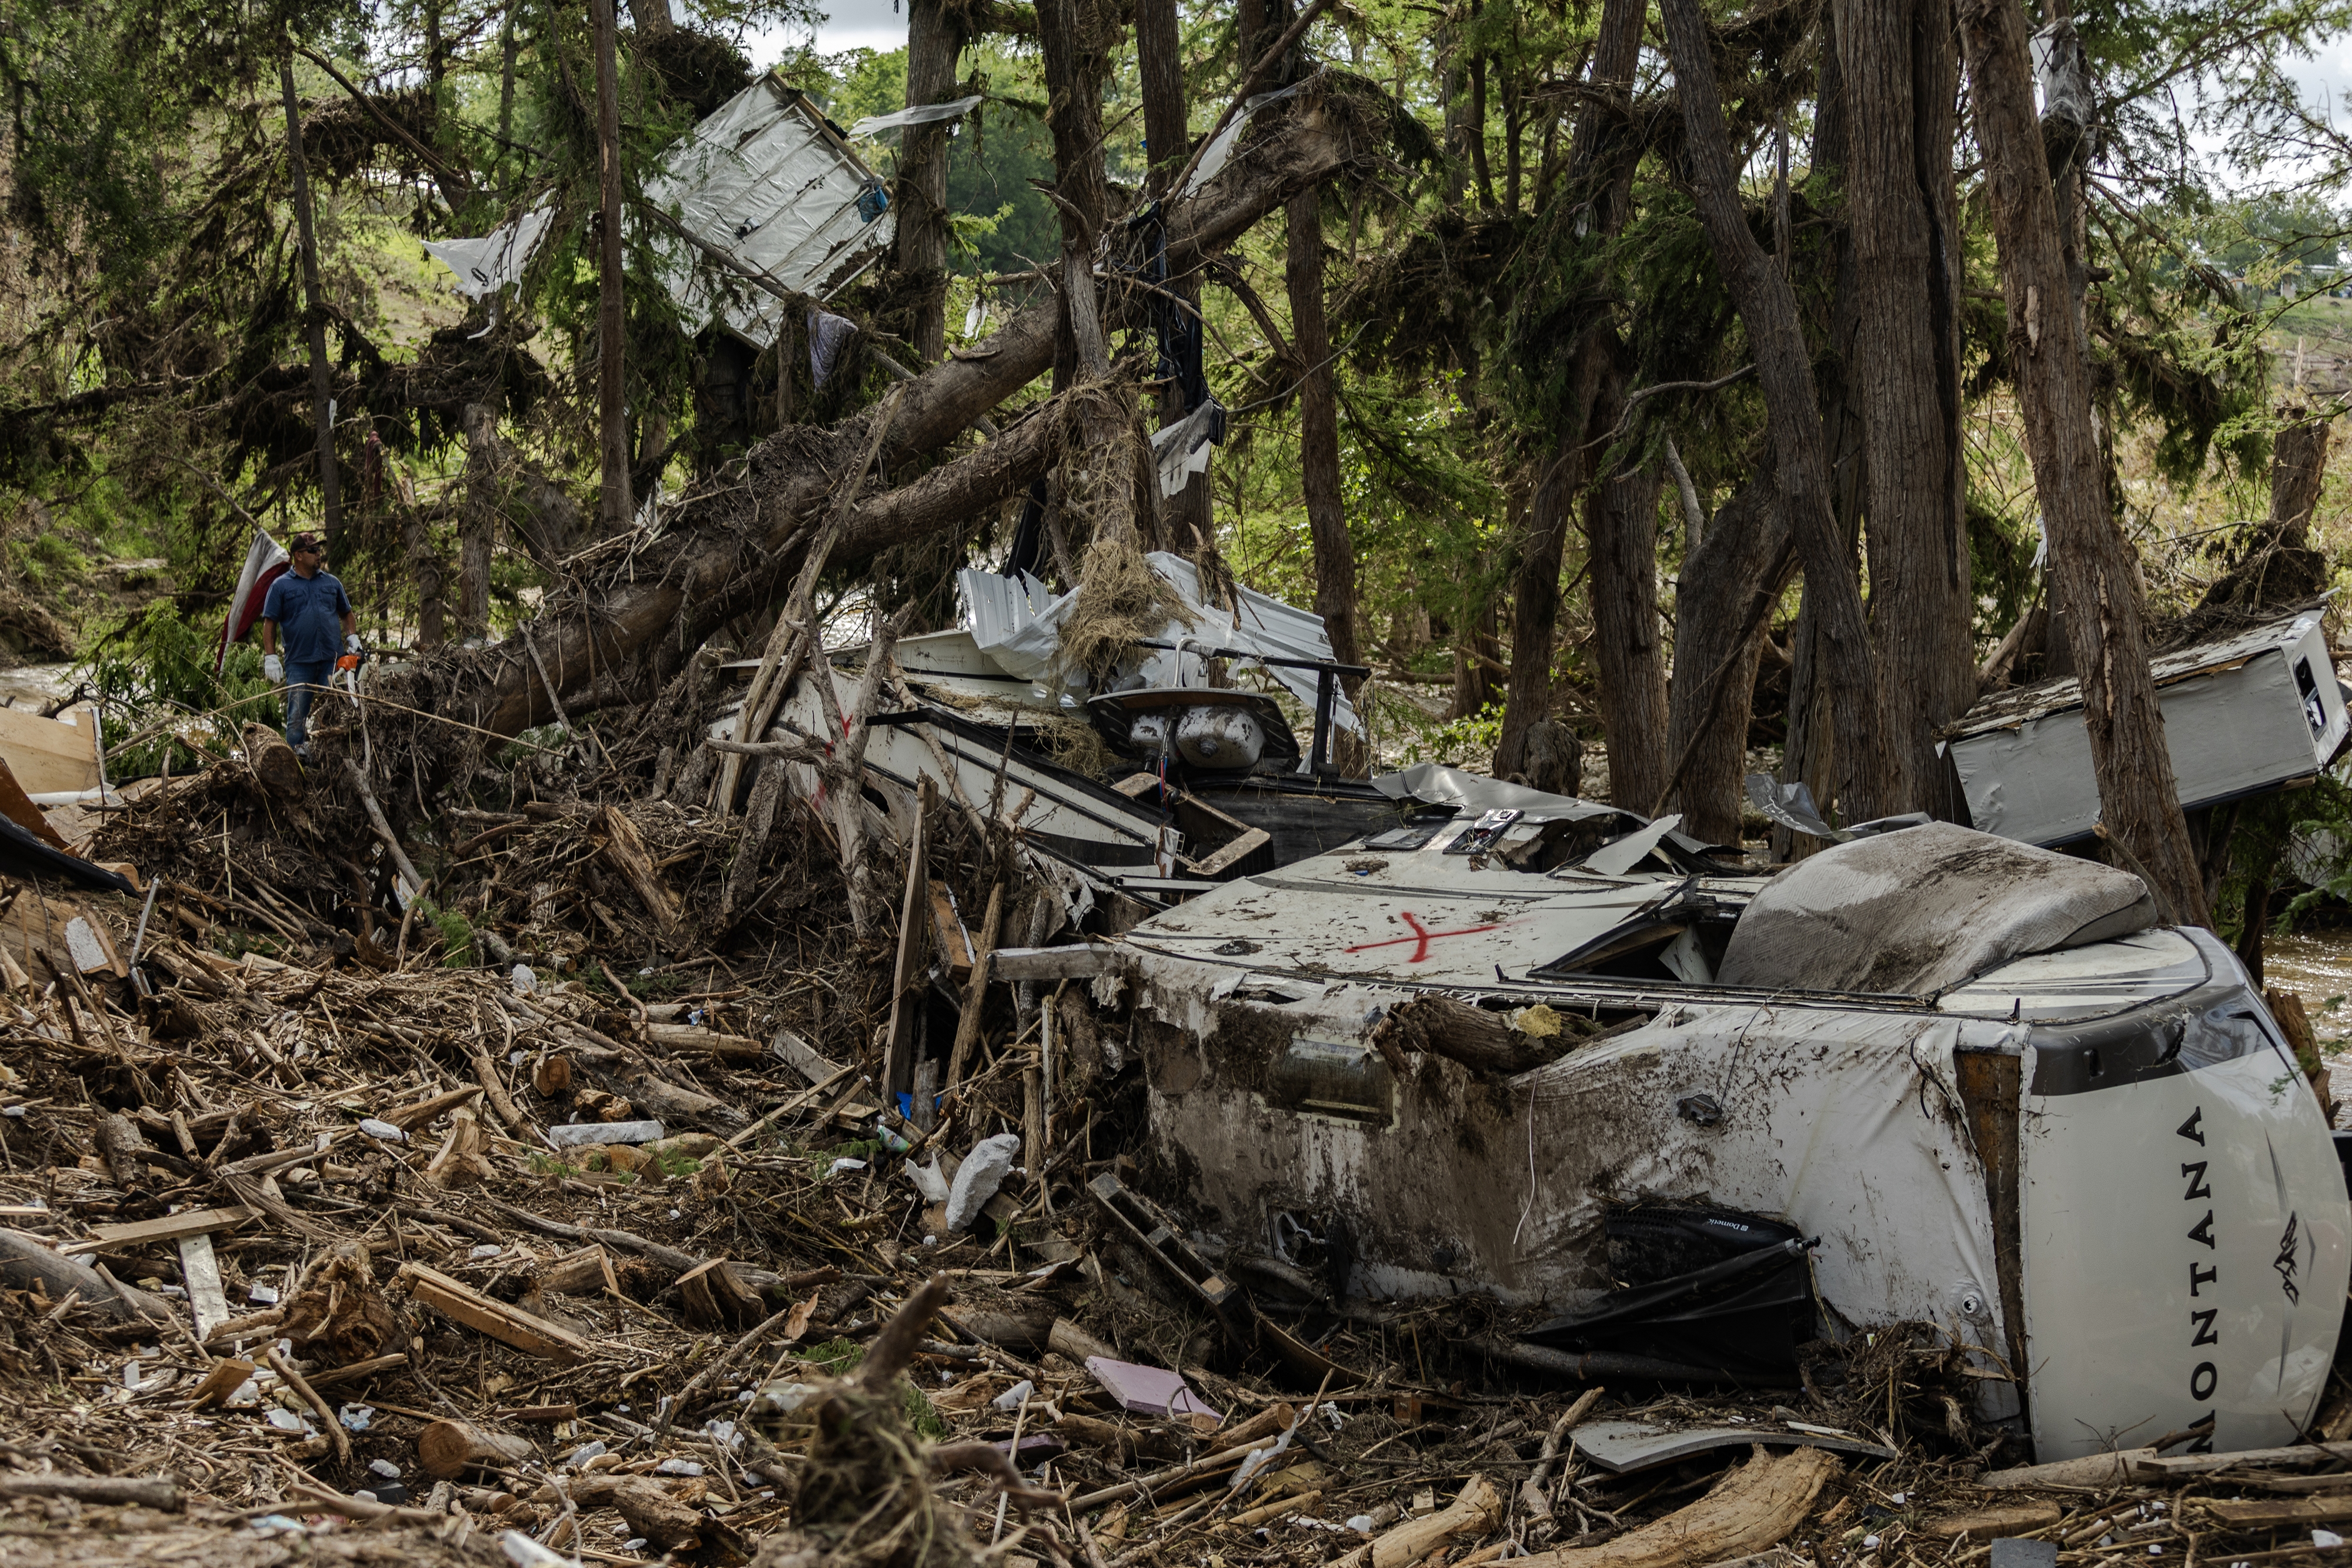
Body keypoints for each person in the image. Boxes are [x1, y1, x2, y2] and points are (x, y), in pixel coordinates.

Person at [259, 533, 360, 757]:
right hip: (299, 662)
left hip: (332, 660)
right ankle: (296, 759)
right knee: (296, 716)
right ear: (298, 556)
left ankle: (334, 755)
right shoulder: (281, 586)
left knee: (336, 709)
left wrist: (352, 637)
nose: (318, 554)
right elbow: (270, 623)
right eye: (313, 551)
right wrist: (271, 656)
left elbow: (347, 613)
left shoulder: (331, 583)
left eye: (319, 550)